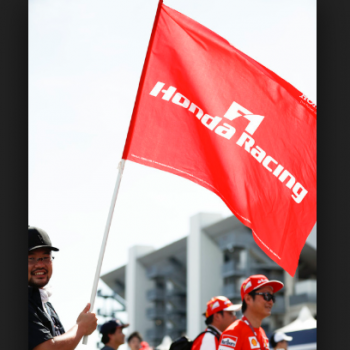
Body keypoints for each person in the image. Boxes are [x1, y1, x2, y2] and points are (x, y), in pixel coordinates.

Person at [28, 226, 98, 350]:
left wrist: (80, 328)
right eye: (31, 258)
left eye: (45, 257)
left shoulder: (46, 304)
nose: (40, 264)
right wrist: (81, 327)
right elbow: (47, 348)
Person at [218, 275, 284, 350]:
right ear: (248, 299)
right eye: (267, 295)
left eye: (272, 297)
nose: (271, 302)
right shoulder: (233, 332)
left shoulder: (261, 332)